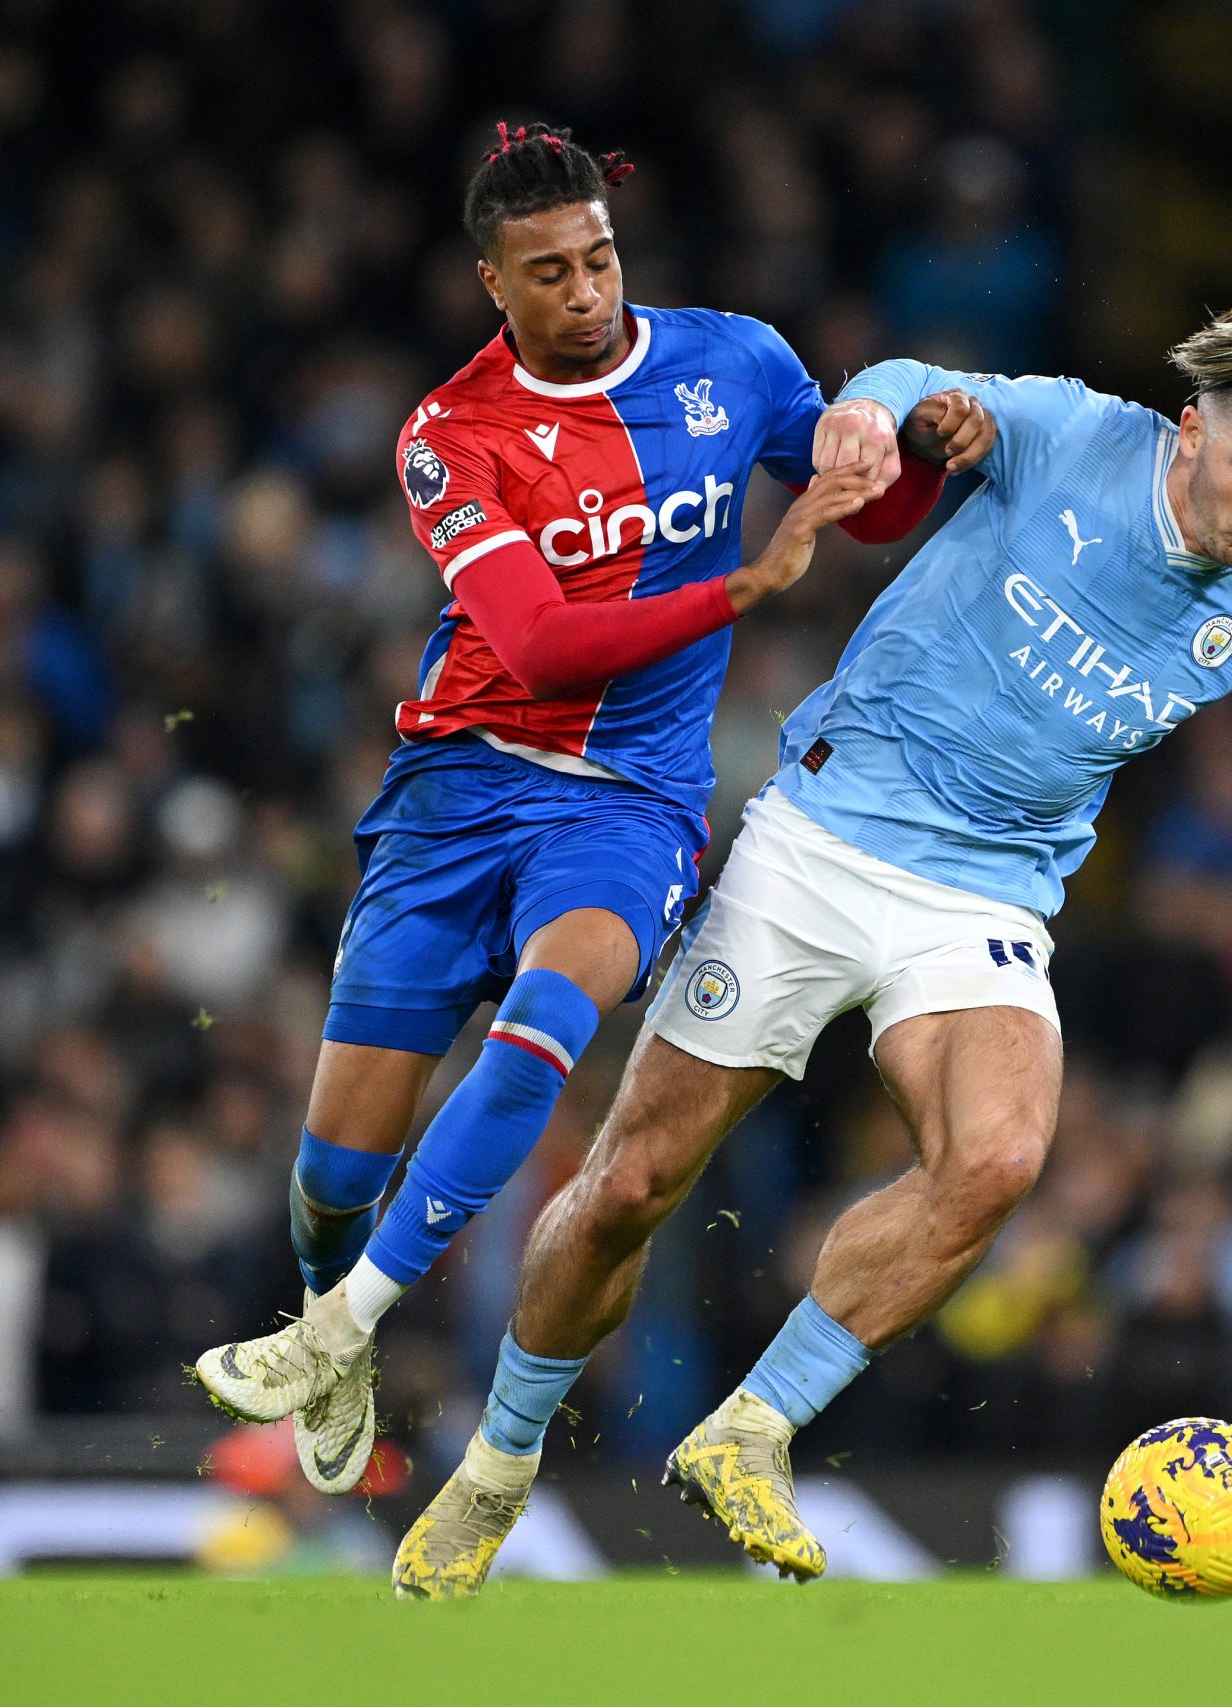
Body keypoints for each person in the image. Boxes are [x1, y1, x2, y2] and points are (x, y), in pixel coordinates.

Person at [449, 273, 1232, 1590]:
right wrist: (871, 426)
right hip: (829, 833)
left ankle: (752, 1430)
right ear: (1190, 431)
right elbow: (908, 386)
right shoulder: (1070, 432)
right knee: (630, 1188)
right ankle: (499, 1457)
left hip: (988, 897)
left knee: (998, 1155)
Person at [184, 123, 990, 1594]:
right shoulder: (452, 436)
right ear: (493, 281)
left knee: (550, 1024)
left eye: (601, 255)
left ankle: (339, 1326)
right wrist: (748, 580)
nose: (587, 290)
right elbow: (541, 641)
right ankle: (329, 1299)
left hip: (628, 805)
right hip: (455, 791)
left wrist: (914, 457)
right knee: (327, 1172)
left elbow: (852, 491)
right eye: (548, 272)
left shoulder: (732, 358)